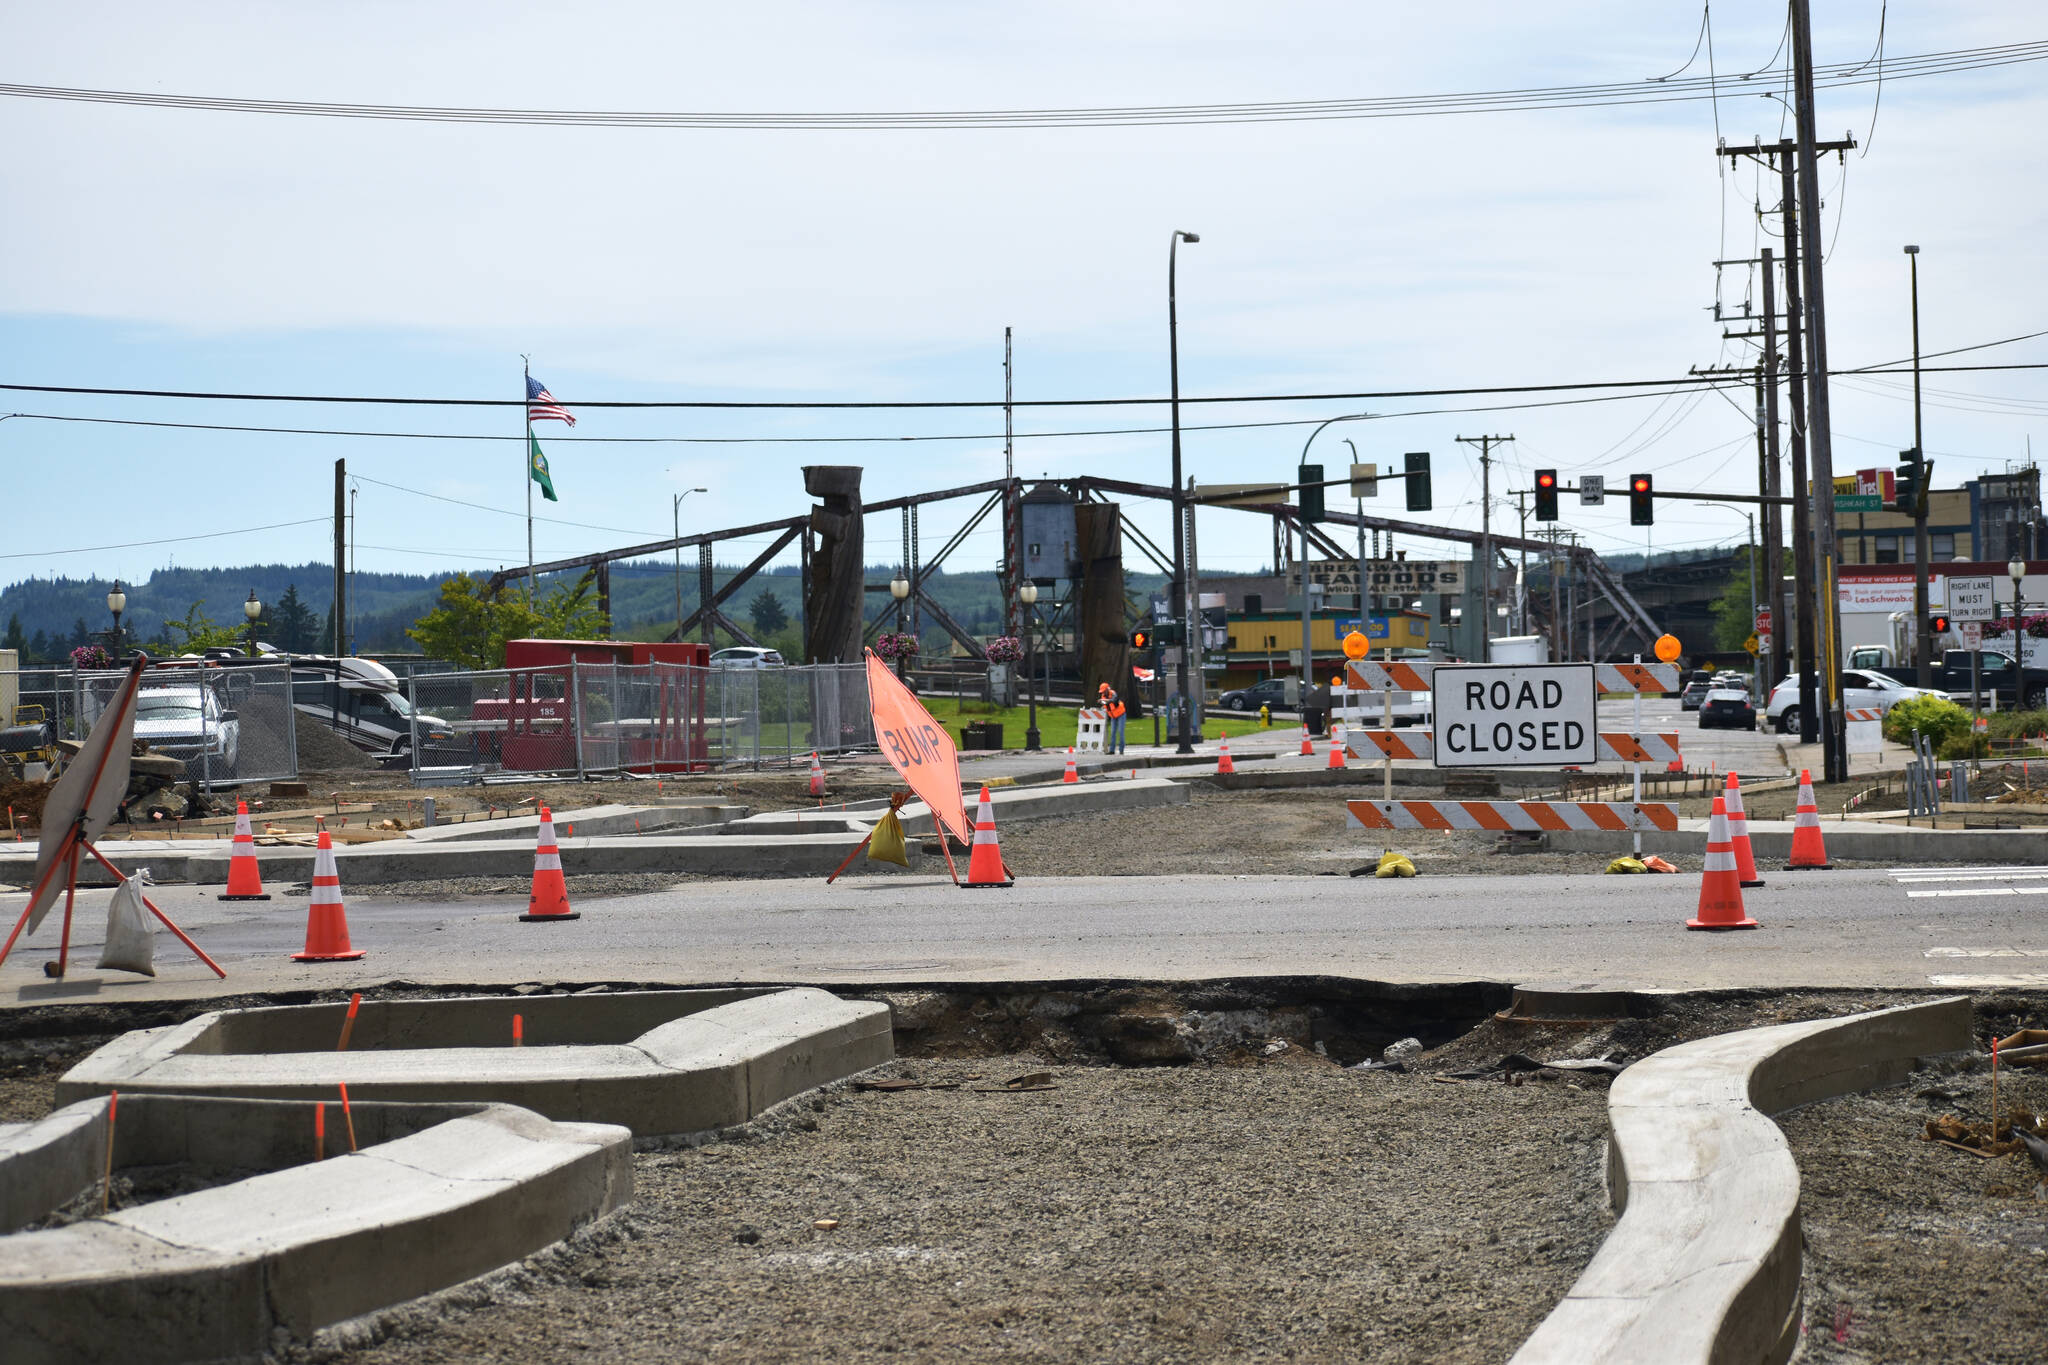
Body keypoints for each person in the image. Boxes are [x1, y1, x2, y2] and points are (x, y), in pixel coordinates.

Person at [1104, 687, 1127, 754]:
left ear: (1107, 690)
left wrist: (1106, 701)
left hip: (1121, 714)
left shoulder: (1113, 693)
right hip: (1113, 716)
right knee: (1113, 733)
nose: (1103, 693)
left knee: (1120, 732)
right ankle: (1112, 750)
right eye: (1102, 692)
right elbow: (1107, 705)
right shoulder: (1103, 696)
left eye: (1104, 691)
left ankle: (1121, 750)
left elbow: (1114, 699)